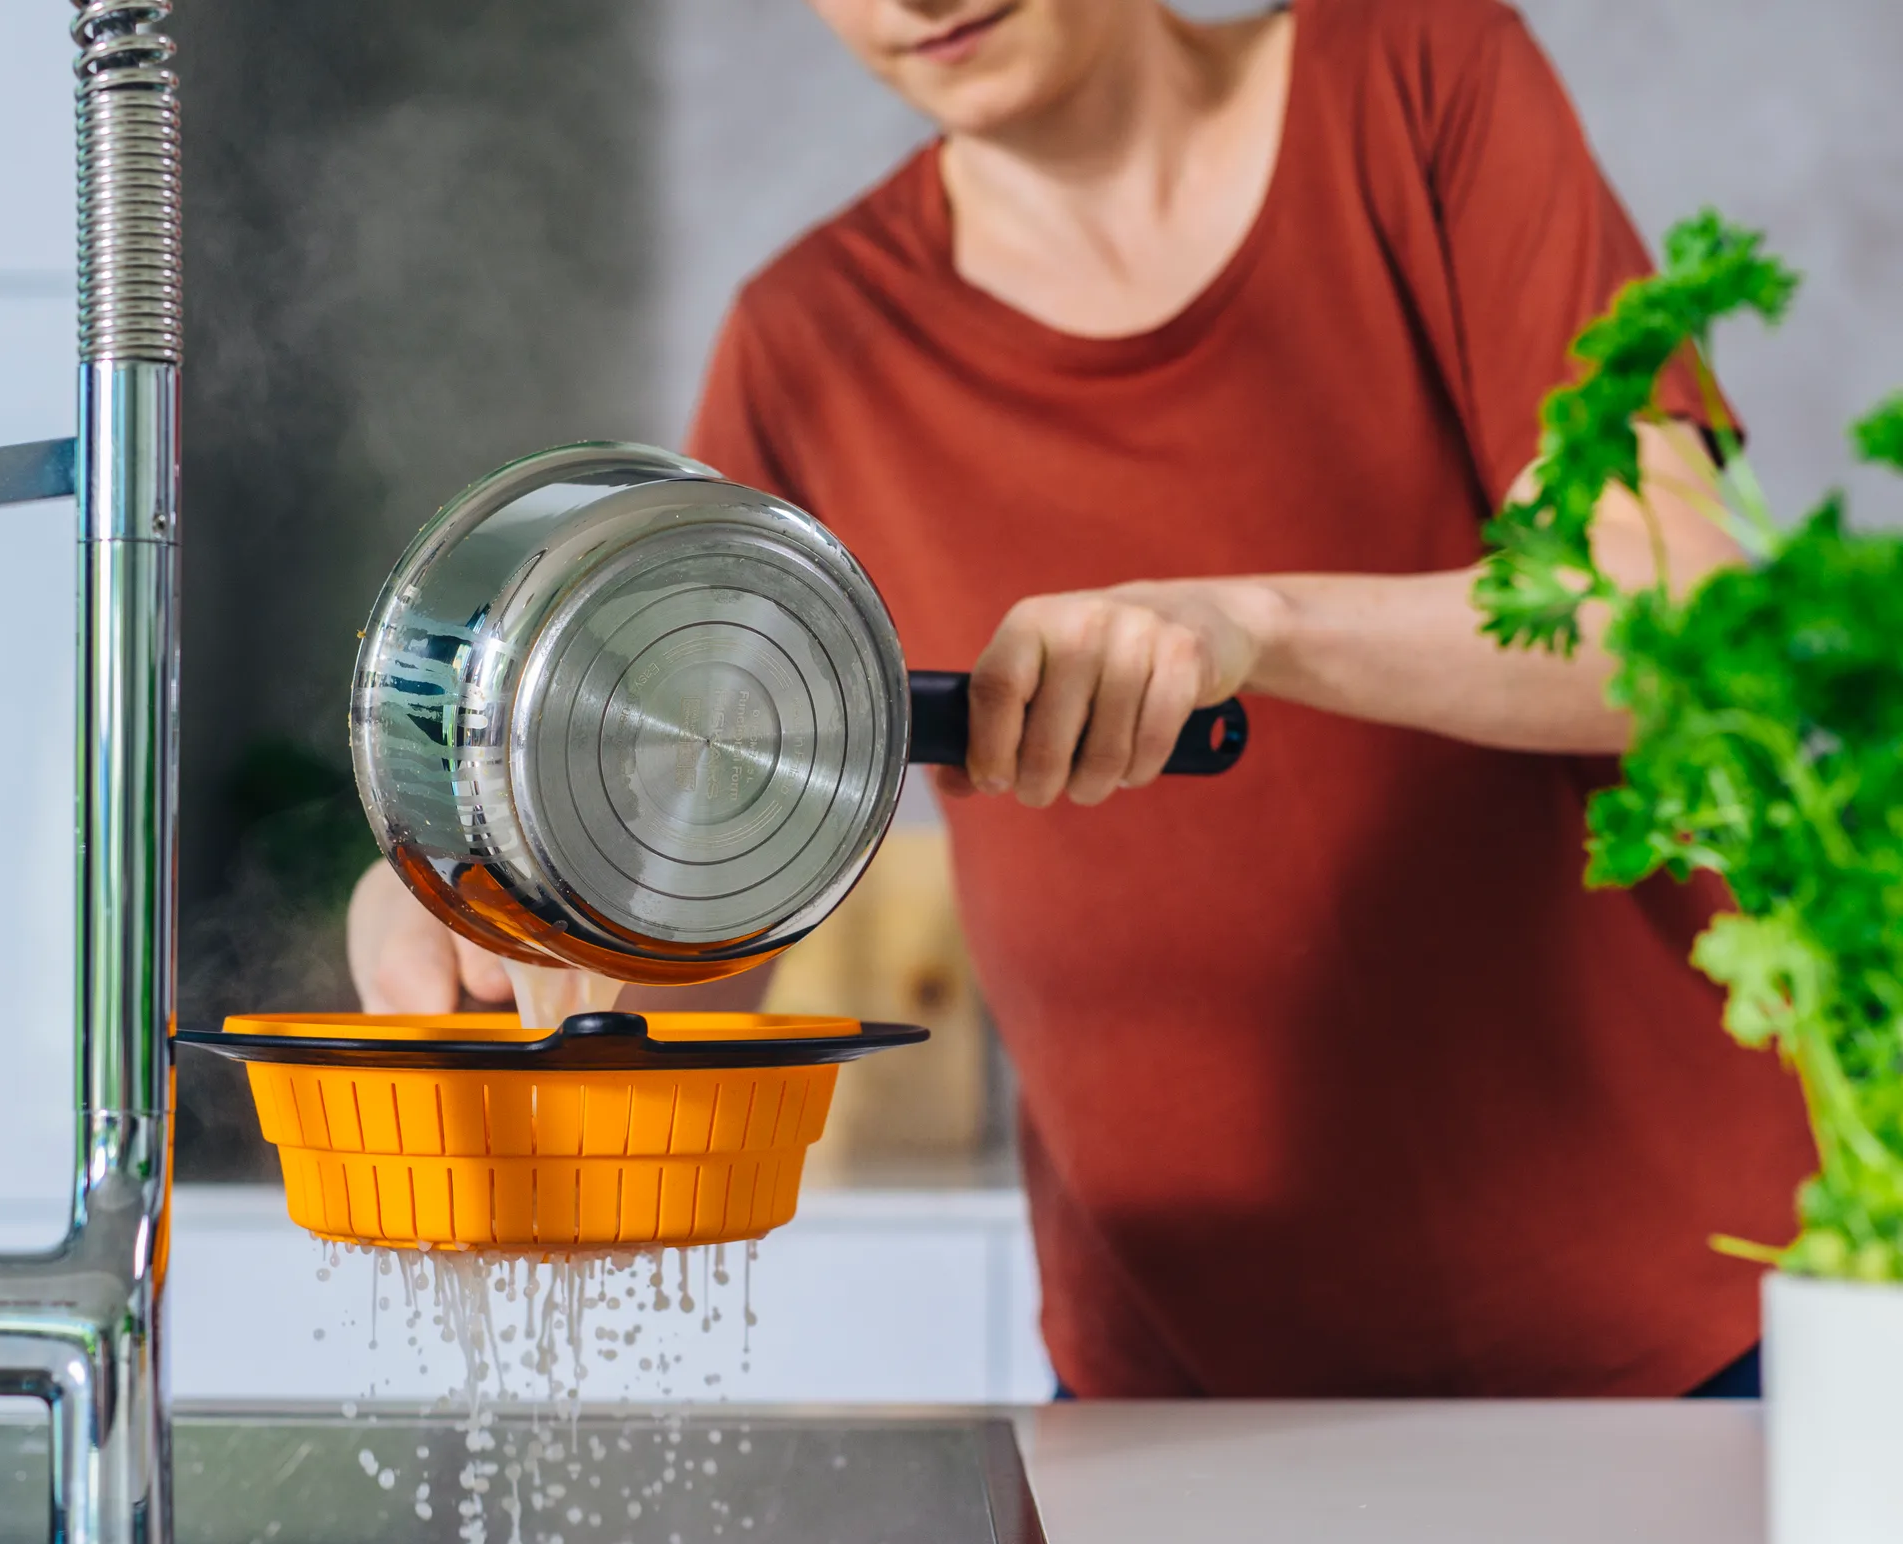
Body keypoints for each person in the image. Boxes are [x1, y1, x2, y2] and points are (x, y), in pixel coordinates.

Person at [349, 0, 1815, 1398]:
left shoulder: (1416, 80)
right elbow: (696, 930)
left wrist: (1254, 622)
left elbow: (1684, 628)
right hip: (1178, 1383)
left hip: (1692, 1330)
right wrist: (491, 901)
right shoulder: (810, 346)